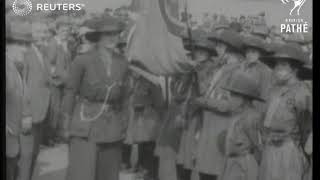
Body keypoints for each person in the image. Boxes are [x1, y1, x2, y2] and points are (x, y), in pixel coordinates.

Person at [63, 15, 130, 180]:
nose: (112, 38)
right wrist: (66, 125)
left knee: (108, 174)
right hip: (86, 125)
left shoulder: (123, 63)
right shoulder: (82, 61)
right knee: (82, 173)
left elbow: (126, 97)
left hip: (112, 127)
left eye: (115, 34)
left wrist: (124, 124)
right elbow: (70, 92)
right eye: (107, 34)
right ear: (98, 37)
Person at [192, 30, 244, 180]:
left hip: (223, 128)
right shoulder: (220, 69)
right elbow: (208, 91)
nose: (217, 49)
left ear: (230, 49)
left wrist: (205, 102)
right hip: (210, 126)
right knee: (205, 172)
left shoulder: (238, 72)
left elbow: (230, 105)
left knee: (218, 172)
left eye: (220, 46)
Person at [259, 43, 312, 180]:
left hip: (289, 148)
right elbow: (265, 118)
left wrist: (303, 150)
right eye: (276, 65)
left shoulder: (302, 92)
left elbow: (306, 125)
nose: (278, 69)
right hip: (269, 146)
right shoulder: (273, 90)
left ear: (294, 68)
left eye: (283, 65)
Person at [176, 29, 218, 180]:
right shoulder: (191, 68)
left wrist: (198, 73)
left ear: (209, 54)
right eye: (198, 51)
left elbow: (207, 91)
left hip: (205, 116)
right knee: (185, 155)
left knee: (204, 155)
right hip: (190, 114)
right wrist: (188, 72)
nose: (200, 54)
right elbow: (180, 92)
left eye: (204, 52)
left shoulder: (213, 69)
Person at [18, 22, 52, 180]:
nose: (43, 35)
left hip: (41, 112)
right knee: (26, 155)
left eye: (45, 31)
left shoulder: (43, 53)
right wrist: (25, 113)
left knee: (34, 153)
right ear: (30, 34)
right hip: (29, 113)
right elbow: (21, 84)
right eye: (39, 31)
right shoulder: (25, 54)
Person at [219, 71, 265, 180]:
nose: (230, 98)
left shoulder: (251, 117)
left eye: (234, 95)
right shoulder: (236, 114)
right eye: (231, 95)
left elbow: (258, 146)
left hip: (244, 163)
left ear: (245, 98)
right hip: (231, 161)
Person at [6, 22, 31, 180]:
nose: (24, 49)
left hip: (12, 136)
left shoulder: (14, 66)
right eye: (19, 44)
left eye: (26, 44)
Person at [44, 17, 73, 144]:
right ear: (57, 30)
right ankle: (49, 137)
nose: (65, 33)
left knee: (60, 110)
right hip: (55, 83)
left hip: (63, 83)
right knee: (54, 110)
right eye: (63, 30)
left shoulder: (65, 44)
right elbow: (49, 65)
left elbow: (68, 63)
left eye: (67, 30)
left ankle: (56, 134)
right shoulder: (53, 44)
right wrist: (62, 76)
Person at [236, 35, 274, 113]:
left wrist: (256, 113)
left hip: (251, 109)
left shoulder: (265, 71)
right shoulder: (240, 66)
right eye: (248, 52)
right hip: (235, 106)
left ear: (260, 53)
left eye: (253, 52)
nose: (249, 55)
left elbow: (264, 95)